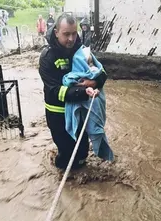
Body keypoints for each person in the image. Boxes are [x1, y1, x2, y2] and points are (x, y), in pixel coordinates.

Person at [39, 13, 108, 170]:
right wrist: (85, 91)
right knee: (67, 153)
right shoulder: (47, 57)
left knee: (82, 152)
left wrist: (94, 82)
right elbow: (54, 91)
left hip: (79, 111)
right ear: (56, 32)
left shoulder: (82, 52)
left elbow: (102, 73)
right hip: (58, 115)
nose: (71, 39)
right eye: (66, 34)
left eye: (73, 33)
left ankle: (81, 180)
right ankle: (64, 178)